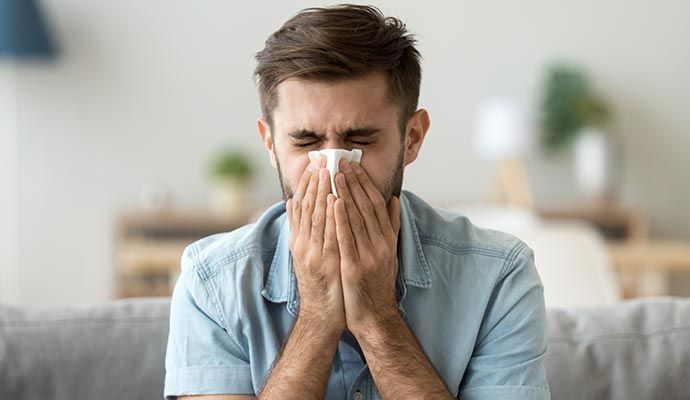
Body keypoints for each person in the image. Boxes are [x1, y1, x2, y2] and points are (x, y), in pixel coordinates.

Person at [164, 4, 549, 400]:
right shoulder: (211, 283)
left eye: (361, 140)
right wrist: (315, 318)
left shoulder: (500, 277)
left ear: (412, 137)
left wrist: (377, 318)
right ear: (270, 144)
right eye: (306, 142)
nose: (333, 170)